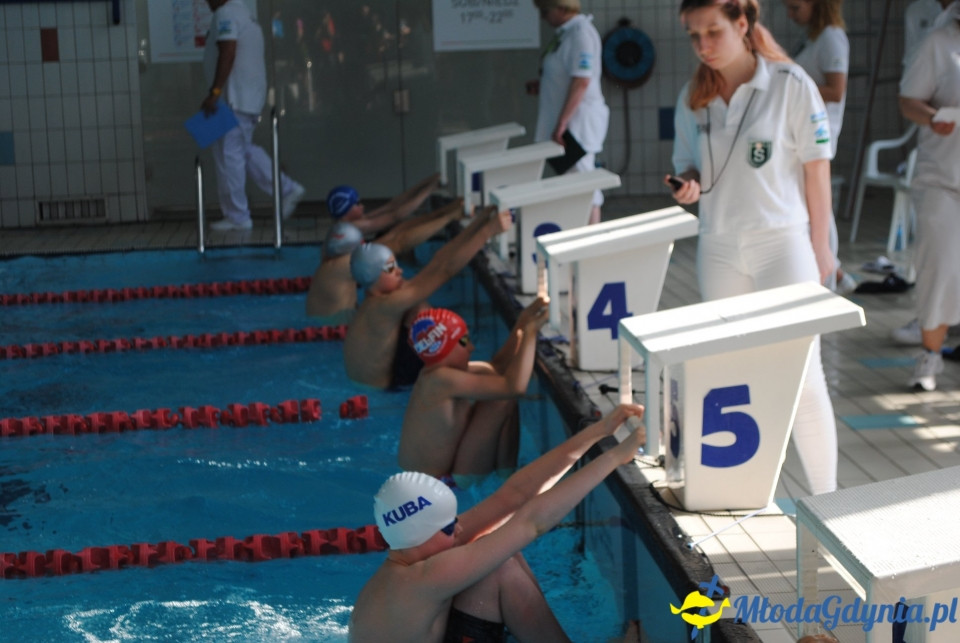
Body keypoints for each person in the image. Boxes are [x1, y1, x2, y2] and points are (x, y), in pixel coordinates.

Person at [667, 0, 839, 495]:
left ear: (743, 25)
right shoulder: (693, 96)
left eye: (713, 32)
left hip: (782, 242)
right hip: (719, 246)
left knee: (804, 376)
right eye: (694, 35)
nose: (703, 46)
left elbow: (816, 168)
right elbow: (690, 164)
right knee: (729, 371)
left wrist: (822, 247)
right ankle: (735, 492)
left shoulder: (789, 85)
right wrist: (688, 185)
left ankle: (827, 503)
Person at [349, 404, 646, 643]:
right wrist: (614, 458)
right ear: (422, 534)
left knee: (499, 555)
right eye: (450, 528)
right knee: (499, 566)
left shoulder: (411, 550)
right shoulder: (424, 577)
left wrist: (598, 431)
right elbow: (532, 524)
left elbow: (512, 497)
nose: (460, 528)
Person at [343, 207, 511, 390]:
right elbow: (443, 271)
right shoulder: (384, 306)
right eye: (391, 268)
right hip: (386, 392)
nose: (399, 271)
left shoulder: (376, 300)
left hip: (374, 383)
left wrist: (478, 224)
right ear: (372, 276)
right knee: (423, 312)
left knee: (417, 304)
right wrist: (488, 232)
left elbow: (438, 262)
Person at [398, 300, 549, 487]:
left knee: (492, 379)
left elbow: (497, 367)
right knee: (502, 398)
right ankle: (507, 480)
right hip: (440, 487)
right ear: (442, 348)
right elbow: (515, 387)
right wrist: (531, 333)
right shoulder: (442, 380)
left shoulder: (433, 374)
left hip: (432, 480)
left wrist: (522, 322)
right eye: (463, 341)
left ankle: (506, 477)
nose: (472, 347)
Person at [201, 0, 306, 232]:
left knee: (229, 156)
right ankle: (286, 189)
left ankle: (238, 216)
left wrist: (214, 92)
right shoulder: (244, 14)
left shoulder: (226, 13)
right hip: (240, 97)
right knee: (241, 151)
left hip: (230, 98)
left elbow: (228, 52)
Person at [898, 1, 960, 391]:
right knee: (938, 266)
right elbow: (909, 102)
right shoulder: (938, 42)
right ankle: (930, 356)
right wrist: (934, 117)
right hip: (943, 177)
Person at [783, 0, 855, 296]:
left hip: (819, 134)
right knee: (810, 201)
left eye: (795, 7)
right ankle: (835, 272)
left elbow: (836, 91)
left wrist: (794, 85)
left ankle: (830, 275)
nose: (791, 14)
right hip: (802, 132)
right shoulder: (813, 36)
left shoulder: (832, 37)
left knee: (817, 203)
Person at [306, 198, 465, 320]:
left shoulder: (332, 262)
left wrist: (444, 213)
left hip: (329, 326)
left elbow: (396, 233)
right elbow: (399, 242)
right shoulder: (344, 264)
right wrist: (447, 218)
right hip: (335, 331)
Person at [526, 0, 609, 225]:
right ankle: (582, 240)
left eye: (545, 10)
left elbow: (582, 81)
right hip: (568, 122)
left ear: (562, 8)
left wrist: (562, 124)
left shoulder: (580, 34)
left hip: (577, 125)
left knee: (583, 182)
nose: (543, 17)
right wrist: (544, 85)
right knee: (575, 182)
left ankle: (591, 244)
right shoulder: (566, 33)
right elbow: (566, 74)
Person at [326, 172, 442, 237]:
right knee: (397, 231)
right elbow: (396, 216)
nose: (362, 206)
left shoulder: (345, 223)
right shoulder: (353, 227)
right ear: (345, 211)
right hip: (355, 278)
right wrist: (428, 191)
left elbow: (391, 205)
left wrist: (424, 183)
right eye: (357, 204)